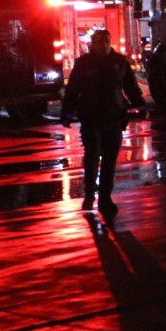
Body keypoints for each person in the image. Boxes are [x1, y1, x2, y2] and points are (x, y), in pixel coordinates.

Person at [61, 29, 146, 219]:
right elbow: (73, 89)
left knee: (109, 160)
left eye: (106, 41)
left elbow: (130, 86)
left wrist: (140, 104)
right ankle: (90, 192)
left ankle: (105, 198)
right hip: (91, 117)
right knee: (92, 155)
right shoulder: (84, 64)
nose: (104, 45)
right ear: (93, 43)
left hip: (114, 118)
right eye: (100, 42)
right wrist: (66, 112)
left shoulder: (119, 62)